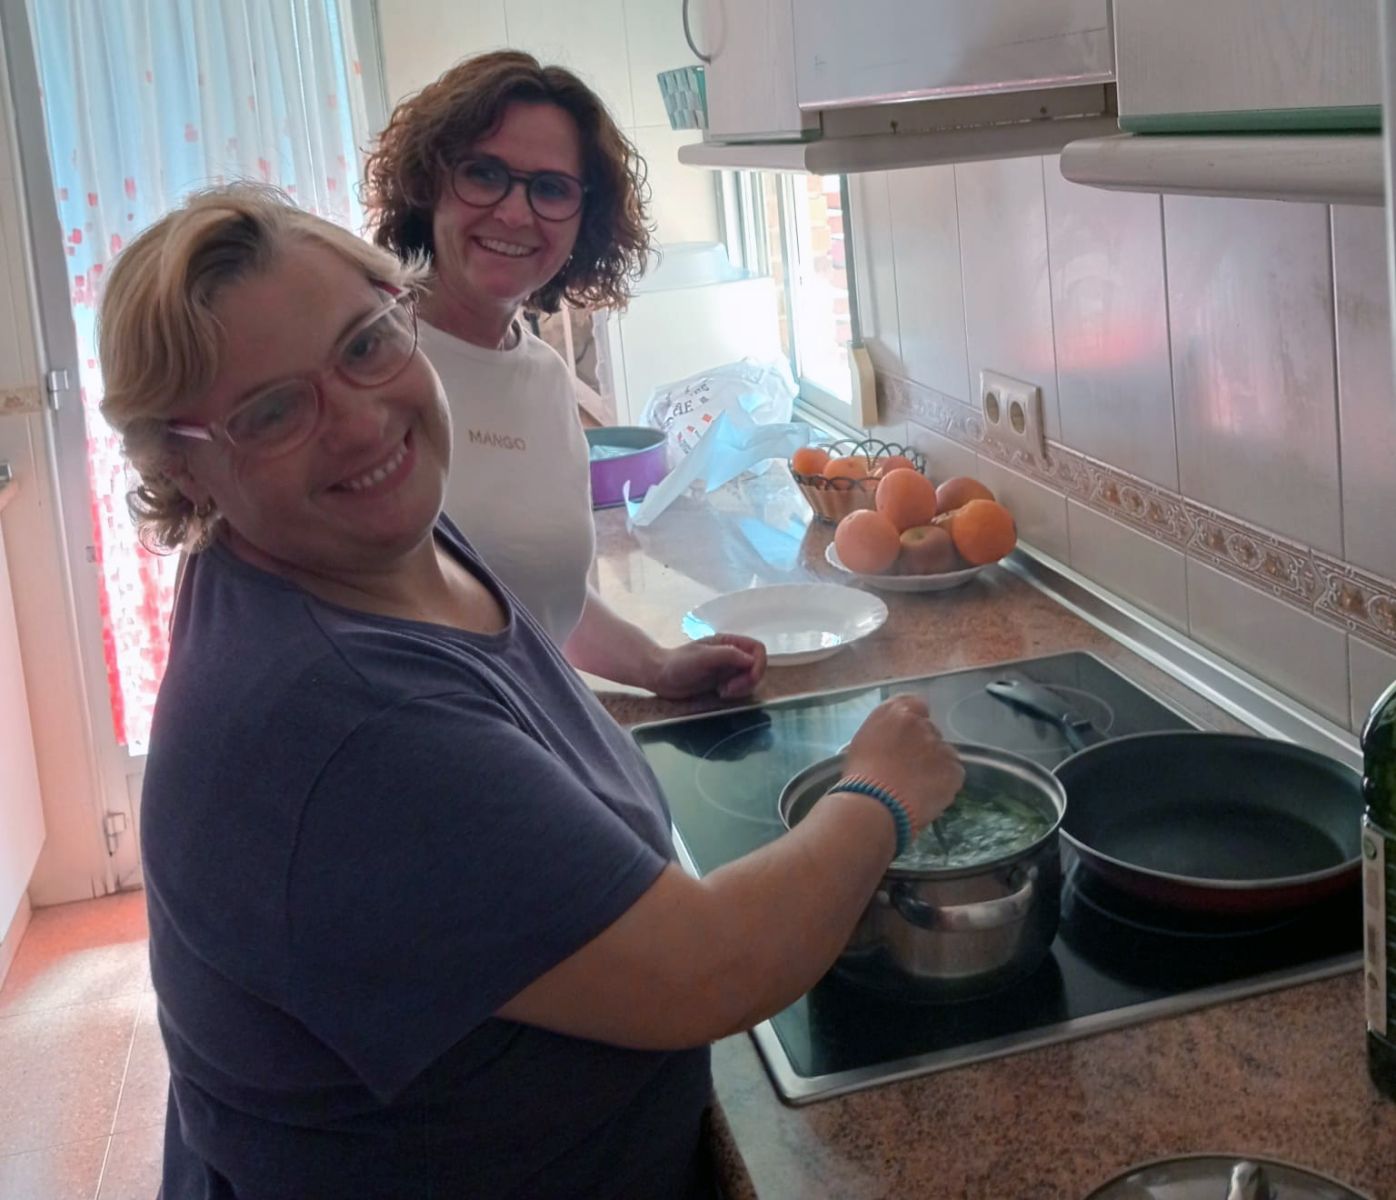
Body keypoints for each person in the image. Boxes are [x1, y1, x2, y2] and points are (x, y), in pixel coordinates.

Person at [98, 184, 965, 1199]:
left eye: (366, 345)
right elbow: (706, 970)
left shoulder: (366, 541)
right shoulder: (342, 724)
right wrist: (879, 790)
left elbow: (496, 687)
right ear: (182, 467)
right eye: (274, 411)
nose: (360, 421)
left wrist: (650, 668)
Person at [362, 50, 764, 702]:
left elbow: (545, 595)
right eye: (484, 173)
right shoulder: (365, 370)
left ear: (584, 220)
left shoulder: (544, 378)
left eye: (550, 188)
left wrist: (657, 665)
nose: (515, 214)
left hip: (528, 731)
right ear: (429, 183)